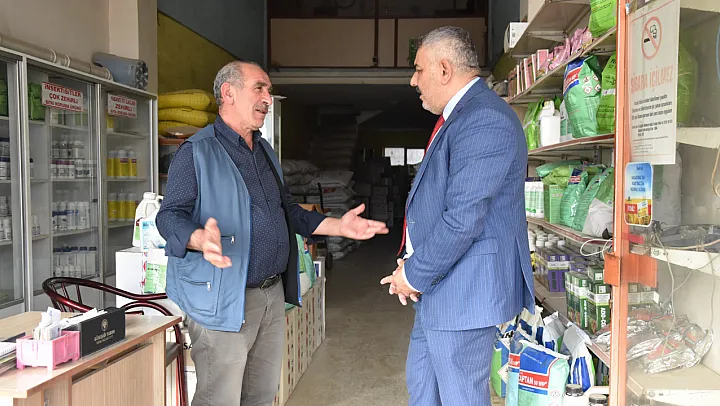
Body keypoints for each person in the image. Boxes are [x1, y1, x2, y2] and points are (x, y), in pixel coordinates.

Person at [157, 60, 388, 406]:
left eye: (268, 90)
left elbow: (288, 211)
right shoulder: (197, 152)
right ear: (228, 93)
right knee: (219, 398)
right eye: (259, 88)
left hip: (270, 293)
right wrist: (198, 238)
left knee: (262, 395)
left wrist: (339, 225)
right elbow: (169, 216)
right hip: (223, 296)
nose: (268, 98)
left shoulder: (264, 151)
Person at [380, 26, 534, 405]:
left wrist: (412, 275)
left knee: (459, 396)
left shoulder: (484, 120)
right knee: (423, 388)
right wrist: (412, 265)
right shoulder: (461, 117)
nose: (413, 80)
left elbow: (462, 219)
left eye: (419, 70)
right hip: (441, 285)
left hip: (464, 292)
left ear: (444, 70)